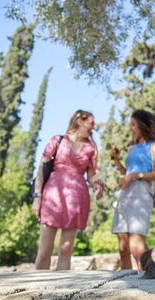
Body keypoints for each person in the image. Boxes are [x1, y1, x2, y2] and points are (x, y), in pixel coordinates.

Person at [32, 110, 104, 270]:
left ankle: (59, 293)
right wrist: (37, 197)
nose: (94, 127)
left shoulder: (91, 148)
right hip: (52, 197)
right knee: (44, 252)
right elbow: (41, 170)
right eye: (91, 123)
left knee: (65, 251)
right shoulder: (57, 140)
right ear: (80, 120)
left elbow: (92, 175)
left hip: (77, 199)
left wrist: (97, 184)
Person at [111, 109, 155, 272]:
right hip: (126, 194)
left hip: (141, 193)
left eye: (133, 125)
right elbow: (125, 173)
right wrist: (116, 161)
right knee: (122, 246)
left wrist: (135, 175)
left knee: (135, 243)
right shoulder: (132, 148)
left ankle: (150, 279)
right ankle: (126, 283)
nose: (131, 128)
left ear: (142, 125)